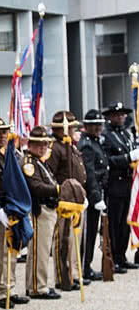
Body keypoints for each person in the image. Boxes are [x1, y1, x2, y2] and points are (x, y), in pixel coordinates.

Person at [0, 116, 29, 308]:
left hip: (12, 209)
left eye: (4, 132)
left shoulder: (9, 154)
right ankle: (0, 292)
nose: (2, 136)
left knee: (12, 251)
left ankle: (11, 287)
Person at [48, 111, 88, 289]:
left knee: (74, 240)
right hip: (64, 202)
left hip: (76, 201)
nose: (73, 130)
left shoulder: (70, 145)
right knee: (63, 241)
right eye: (70, 127)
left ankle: (74, 274)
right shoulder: (55, 148)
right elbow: (51, 174)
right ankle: (63, 278)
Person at [22, 126, 61, 300]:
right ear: (29, 144)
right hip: (40, 210)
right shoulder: (29, 162)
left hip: (48, 209)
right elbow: (36, 187)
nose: (42, 147)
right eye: (38, 144)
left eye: (45, 144)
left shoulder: (39, 161)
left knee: (42, 251)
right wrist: (58, 189)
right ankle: (39, 287)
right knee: (40, 251)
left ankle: (36, 285)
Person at [101, 102, 139, 274]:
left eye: (123, 114)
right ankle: (114, 258)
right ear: (109, 116)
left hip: (128, 184)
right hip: (115, 184)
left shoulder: (126, 134)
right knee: (114, 223)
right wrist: (127, 157)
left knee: (125, 223)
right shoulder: (106, 136)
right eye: (117, 115)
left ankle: (122, 257)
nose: (120, 117)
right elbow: (107, 160)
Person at [77, 110, 109, 281]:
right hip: (90, 196)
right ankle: (84, 267)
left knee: (91, 234)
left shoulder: (95, 142)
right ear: (86, 126)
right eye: (94, 125)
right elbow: (89, 174)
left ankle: (87, 266)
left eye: (100, 124)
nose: (98, 128)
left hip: (98, 191)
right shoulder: (87, 145)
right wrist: (96, 197)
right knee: (87, 235)